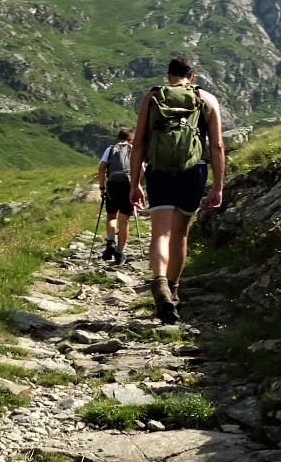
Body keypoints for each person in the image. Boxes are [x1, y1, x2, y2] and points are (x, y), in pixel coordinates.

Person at [128, 55, 225, 323]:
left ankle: (159, 284)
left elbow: (138, 144)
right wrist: (218, 186)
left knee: (160, 233)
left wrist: (135, 183)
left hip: (159, 170)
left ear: (169, 76)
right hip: (194, 171)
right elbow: (216, 146)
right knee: (180, 234)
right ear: (192, 77)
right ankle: (173, 289)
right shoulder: (207, 100)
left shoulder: (153, 97)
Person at [96, 128, 138, 265]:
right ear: (131, 139)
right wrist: (136, 186)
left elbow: (101, 168)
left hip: (112, 186)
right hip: (128, 186)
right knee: (124, 221)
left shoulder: (110, 149)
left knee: (111, 216)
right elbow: (141, 169)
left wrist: (102, 187)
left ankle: (110, 241)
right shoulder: (133, 149)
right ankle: (120, 253)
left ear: (118, 138)